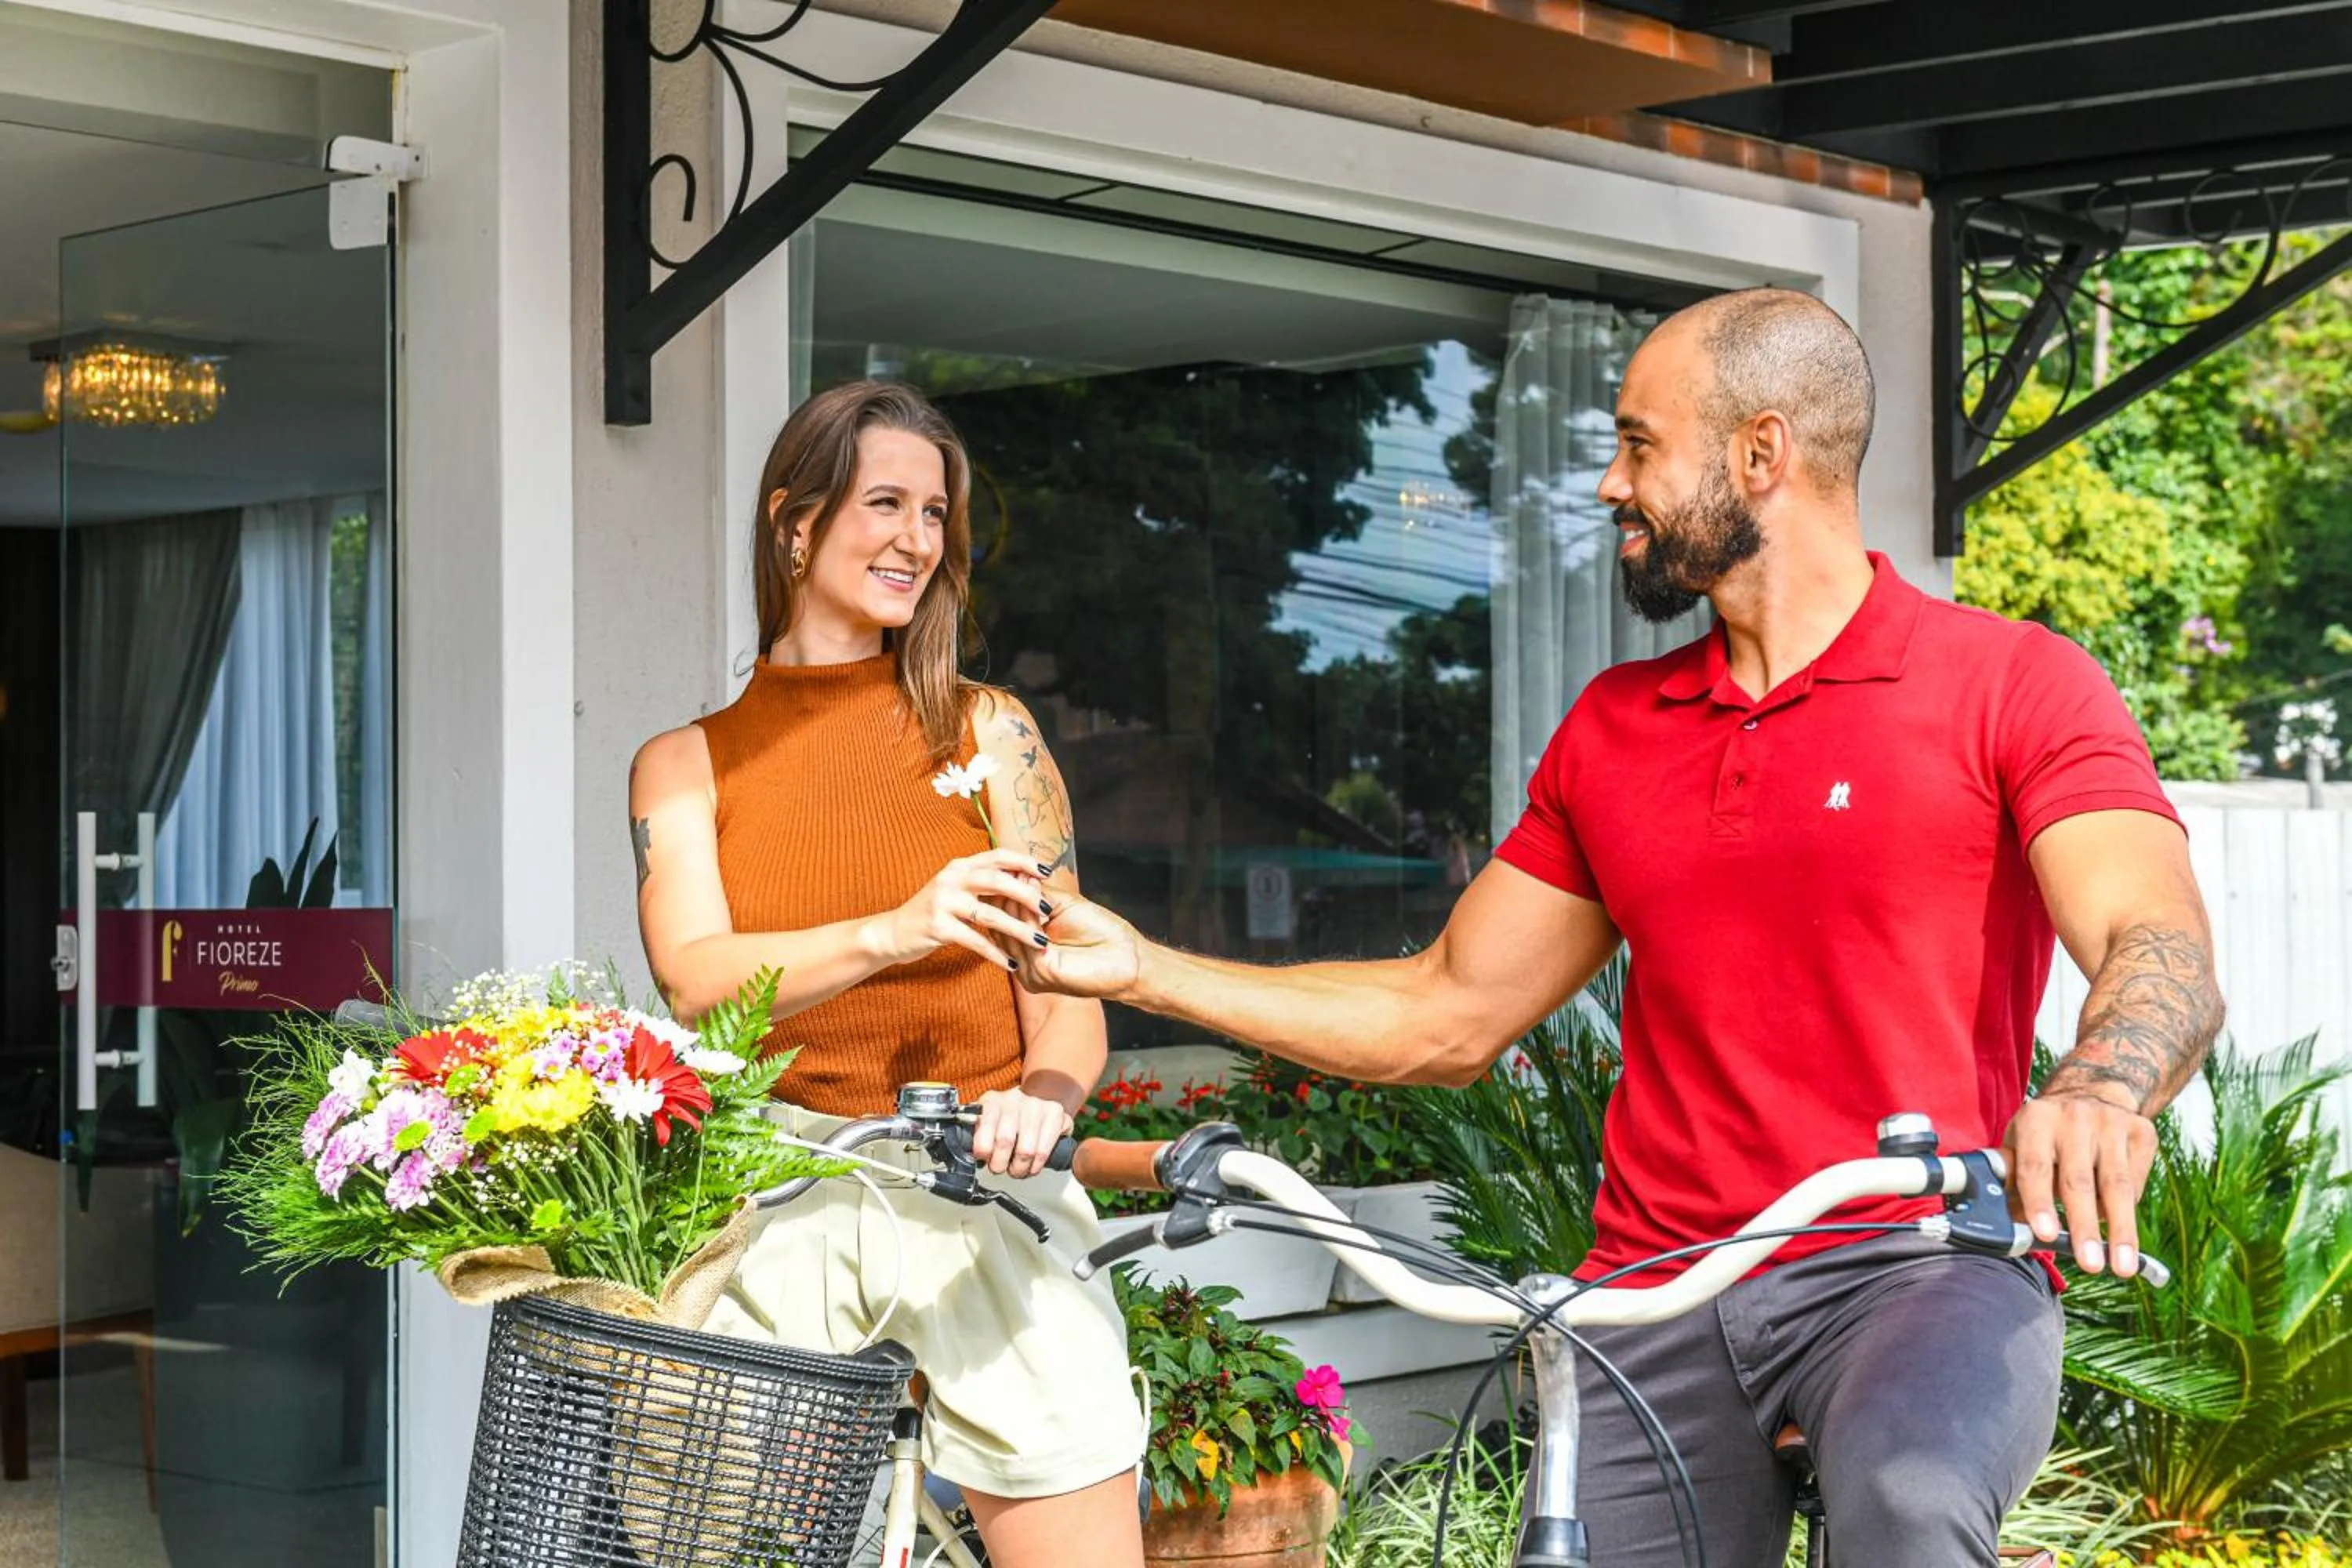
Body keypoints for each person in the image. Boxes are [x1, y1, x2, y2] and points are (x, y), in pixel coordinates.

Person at [1013, 291, 2224, 1565]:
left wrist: (2099, 1089)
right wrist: (1147, 968)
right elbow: (1445, 1012)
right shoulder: (1616, 729)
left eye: (1640, 445)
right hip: (1658, 1286)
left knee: (1912, 1501)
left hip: (1916, 1265)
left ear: (1762, 453)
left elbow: (2159, 941)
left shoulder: (2010, 682)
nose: (1609, 484)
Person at [629, 380, 1143, 1567]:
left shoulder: (991, 733)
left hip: (984, 1181)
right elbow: (696, 980)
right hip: (786, 1188)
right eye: (885, 504)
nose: (917, 538)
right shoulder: (683, 765)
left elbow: (1067, 1001)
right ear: (794, 521)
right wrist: (896, 929)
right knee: (714, 1539)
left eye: (935, 514)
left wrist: (1043, 1100)